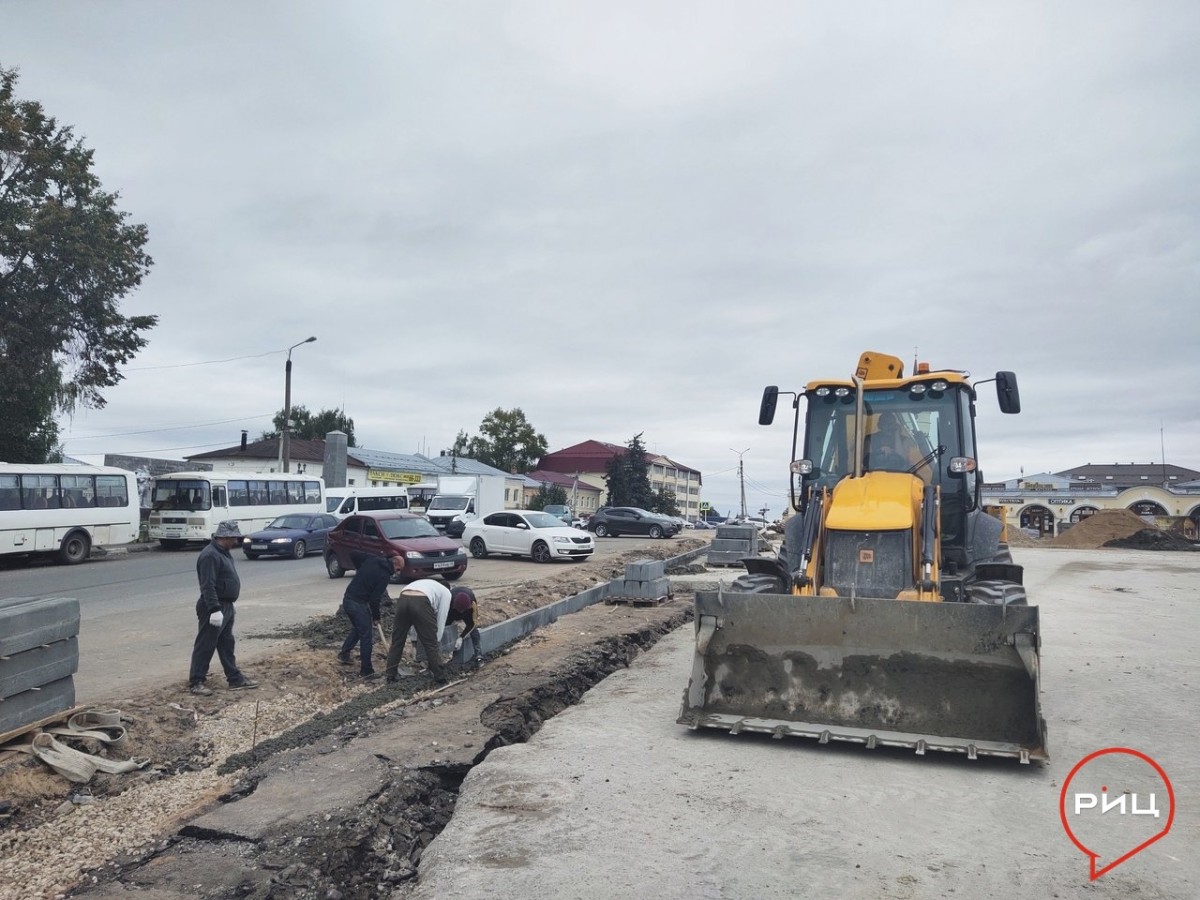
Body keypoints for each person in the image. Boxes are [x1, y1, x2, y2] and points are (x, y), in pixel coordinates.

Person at [188, 521, 257, 695]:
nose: (236, 541)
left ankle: (234, 678)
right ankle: (196, 681)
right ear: (224, 537)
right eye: (233, 538)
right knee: (206, 644)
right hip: (214, 606)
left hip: (225, 605)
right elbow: (208, 586)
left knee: (226, 644)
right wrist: (214, 609)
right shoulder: (210, 555)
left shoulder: (223, 552)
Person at [337, 551, 399, 679]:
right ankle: (366, 670)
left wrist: (360, 569)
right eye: (398, 569)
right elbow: (375, 599)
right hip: (358, 604)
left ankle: (344, 654)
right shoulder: (384, 576)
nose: (398, 572)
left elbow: (354, 555)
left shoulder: (373, 559)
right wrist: (376, 617)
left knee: (358, 629)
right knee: (366, 636)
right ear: (394, 563)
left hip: (348, 599)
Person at [384, 578, 452, 686]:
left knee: (397, 640)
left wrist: (414, 640)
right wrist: (436, 640)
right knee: (431, 643)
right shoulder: (446, 593)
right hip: (421, 601)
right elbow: (441, 618)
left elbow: (415, 621)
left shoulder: (428, 585)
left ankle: (390, 675)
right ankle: (440, 678)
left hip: (403, 598)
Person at [447, 586, 482, 667]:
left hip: (466, 610)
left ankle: (479, 656)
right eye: (459, 610)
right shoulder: (448, 601)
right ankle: (446, 656)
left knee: (474, 632)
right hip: (452, 611)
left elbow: (473, 623)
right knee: (446, 629)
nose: (461, 612)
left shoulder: (472, 604)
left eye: (462, 610)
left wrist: (461, 637)